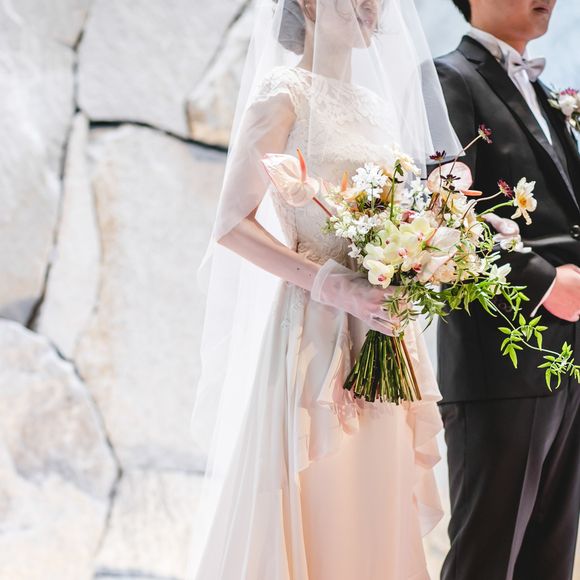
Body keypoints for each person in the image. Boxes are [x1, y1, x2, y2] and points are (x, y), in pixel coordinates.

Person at [187, 0, 461, 578]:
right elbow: (231, 225)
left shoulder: (377, 107)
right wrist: (331, 285)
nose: (373, 7)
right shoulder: (283, 94)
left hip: (385, 332)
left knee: (376, 497)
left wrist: (418, 260)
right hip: (315, 330)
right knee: (325, 494)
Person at [436, 1, 580, 579]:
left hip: (569, 356)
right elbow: (442, 210)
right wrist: (545, 281)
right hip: (501, 354)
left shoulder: (546, 95)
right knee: (487, 558)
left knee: (551, 558)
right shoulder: (449, 77)